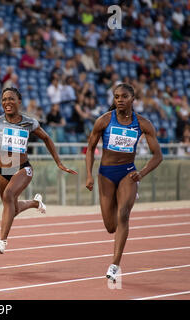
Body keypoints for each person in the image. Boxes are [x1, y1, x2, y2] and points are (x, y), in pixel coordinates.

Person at [85, 83, 163, 282]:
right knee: (111, 226)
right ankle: (123, 201)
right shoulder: (103, 121)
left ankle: (115, 264)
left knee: (123, 215)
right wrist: (89, 175)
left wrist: (142, 173)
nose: (119, 99)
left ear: (132, 99)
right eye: (116, 96)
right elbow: (90, 148)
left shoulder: (143, 124)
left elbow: (157, 156)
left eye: (124, 96)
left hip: (128, 173)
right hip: (106, 174)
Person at [0, 87, 77, 254]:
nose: (7, 102)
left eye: (11, 99)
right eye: (4, 99)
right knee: (11, 208)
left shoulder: (29, 122)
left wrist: (59, 162)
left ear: (19, 101)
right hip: (3, 170)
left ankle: (2, 241)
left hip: (23, 168)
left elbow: (47, 138)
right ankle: (35, 203)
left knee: (8, 196)